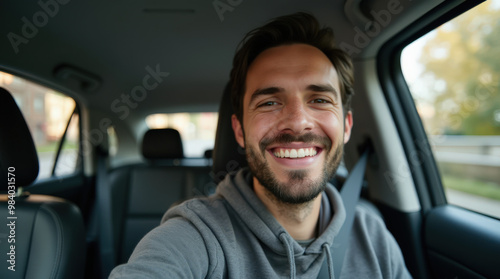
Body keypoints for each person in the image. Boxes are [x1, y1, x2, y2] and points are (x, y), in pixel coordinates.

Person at [110, 12, 411, 279]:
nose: (297, 121)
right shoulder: (196, 234)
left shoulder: (374, 238)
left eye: (319, 100)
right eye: (269, 102)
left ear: (346, 127)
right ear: (240, 131)